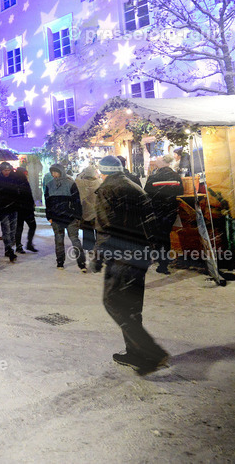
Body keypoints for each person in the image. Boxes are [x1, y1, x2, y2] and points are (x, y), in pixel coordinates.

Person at [95, 155, 169, 375]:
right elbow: (150, 221)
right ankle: (136, 354)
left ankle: (151, 351)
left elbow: (106, 226)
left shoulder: (107, 190)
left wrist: (99, 255)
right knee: (132, 304)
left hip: (122, 255)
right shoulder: (134, 186)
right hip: (141, 253)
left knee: (113, 302)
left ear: (104, 171)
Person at [44, 163, 87, 272]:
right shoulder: (49, 185)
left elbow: (77, 201)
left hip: (70, 217)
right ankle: (60, 262)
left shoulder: (70, 184)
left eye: (56, 171)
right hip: (56, 217)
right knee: (59, 240)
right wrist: (49, 216)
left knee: (75, 240)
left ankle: (81, 263)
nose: (54, 174)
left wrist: (77, 216)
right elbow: (48, 202)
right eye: (52, 172)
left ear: (61, 172)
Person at [144, 154, 181, 275]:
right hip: (170, 211)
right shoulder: (176, 176)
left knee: (158, 237)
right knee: (166, 236)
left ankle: (161, 261)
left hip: (157, 211)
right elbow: (180, 193)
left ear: (161, 164)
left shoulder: (153, 177)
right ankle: (164, 262)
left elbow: (146, 194)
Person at [0, 161, 21, 260]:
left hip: (13, 208)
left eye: (8, 170)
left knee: (12, 229)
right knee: (6, 230)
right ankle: (8, 250)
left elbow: (18, 192)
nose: (7, 172)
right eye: (5, 170)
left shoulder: (14, 179)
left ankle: (9, 247)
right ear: (1, 170)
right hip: (3, 209)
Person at [75, 164, 104, 271]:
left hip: (86, 210)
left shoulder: (81, 183)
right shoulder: (98, 182)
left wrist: (82, 173)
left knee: (87, 230)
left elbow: (77, 179)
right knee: (99, 231)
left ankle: (89, 247)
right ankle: (99, 248)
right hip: (97, 211)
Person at [14, 166, 38, 252]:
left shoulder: (17, 182)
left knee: (20, 227)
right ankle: (26, 244)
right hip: (25, 209)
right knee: (30, 226)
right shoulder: (22, 182)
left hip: (21, 209)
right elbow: (27, 196)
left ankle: (20, 245)